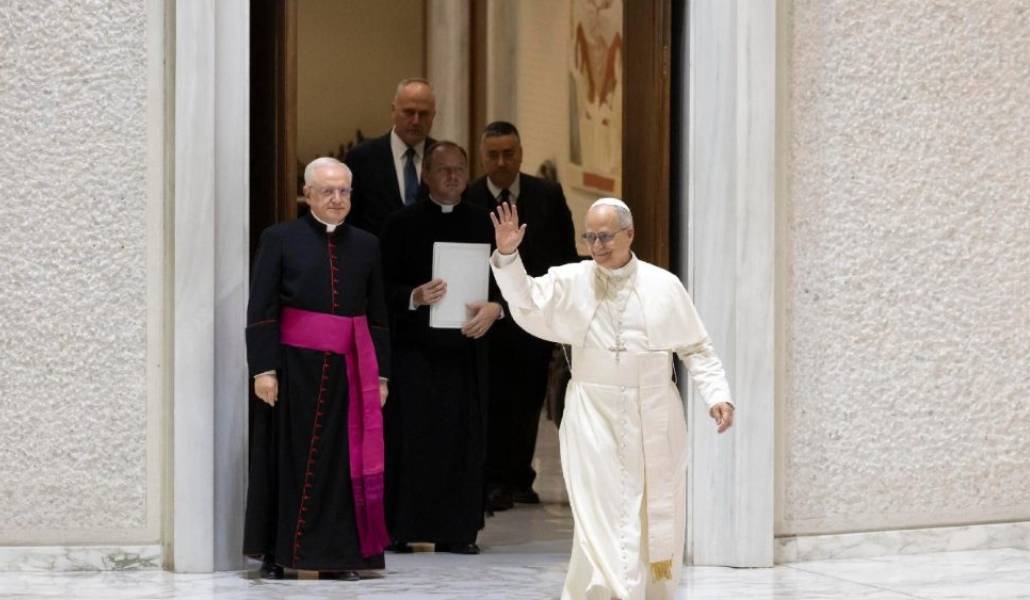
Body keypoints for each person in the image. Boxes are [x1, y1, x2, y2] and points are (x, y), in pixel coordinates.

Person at [489, 198, 736, 599]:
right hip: (593, 415)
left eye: (605, 236)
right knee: (600, 516)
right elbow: (526, 300)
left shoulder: (664, 285)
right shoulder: (572, 279)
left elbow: (696, 347)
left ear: (629, 234)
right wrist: (507, 253)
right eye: (590, 237)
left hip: (654, 414)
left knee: (649, 518)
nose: (597, 246)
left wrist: (717, 394)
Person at [243, 157, 391, 581]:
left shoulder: (367, 244)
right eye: (328, 190)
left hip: (350, 372)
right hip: (292, 371)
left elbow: (377, 314)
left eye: (344, 191)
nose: (337, 199)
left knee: (343, 466)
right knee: (283, 460)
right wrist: (263, 368)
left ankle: (339, 556)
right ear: (307, 194)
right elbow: (262, 307)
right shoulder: (280, 238)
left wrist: (381, 375)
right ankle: (277, 552)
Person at [379, 142, 503, 555]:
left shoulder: (484, 225)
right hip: (415, 353)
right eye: (443, 169)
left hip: (466, 353)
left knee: (462, 442)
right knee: (411, 440)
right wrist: (413, 296)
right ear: (427, 175)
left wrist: (495, 309)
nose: (452, 176)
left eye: (459, 169)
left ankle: (457, 530)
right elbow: (380, 290)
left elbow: (509, 285)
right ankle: (404, 528)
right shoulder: (400, 225)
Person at [466, 121, 579, 511]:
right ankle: (492, 478)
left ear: (520, 153)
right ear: (483, 157)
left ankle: (519, 477)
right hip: (484, 321)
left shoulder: (547, 195)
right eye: (493, 155)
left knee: (527, 401)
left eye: (508, 153)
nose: (501, 162)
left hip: (533, 319)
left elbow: (561, 255)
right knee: (492, 402)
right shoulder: (469, 197)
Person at [346, 78, 437, 238]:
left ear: (433, 116)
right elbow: (349, 217)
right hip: (375, 258)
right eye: (409, 112)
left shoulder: (443, 158)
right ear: (394, 111)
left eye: (423, 114)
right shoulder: (362, 158)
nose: (416, 121)